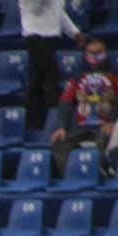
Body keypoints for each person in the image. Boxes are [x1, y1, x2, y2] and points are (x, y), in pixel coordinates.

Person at [50, 37, 118, 176]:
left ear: (106, 52)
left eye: (99, 52)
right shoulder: (78, 75)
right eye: (91, 52)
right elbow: (66, 102)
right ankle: (72, 177)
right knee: (58, 143)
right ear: (85, 54)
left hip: (106, 124)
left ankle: (100, 177)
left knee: (104, 141)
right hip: (81, 125)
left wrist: (113, 123)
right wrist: (61, 127)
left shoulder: (114, 74)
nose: (95, 56)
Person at [21, 0, 87, 131]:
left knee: (38, 78)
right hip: (34, 36)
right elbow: (35, 9)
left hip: (51, 36)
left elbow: (58, 11)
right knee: (52, 71)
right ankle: (55, 110)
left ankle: (29, 118)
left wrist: (74, 32)